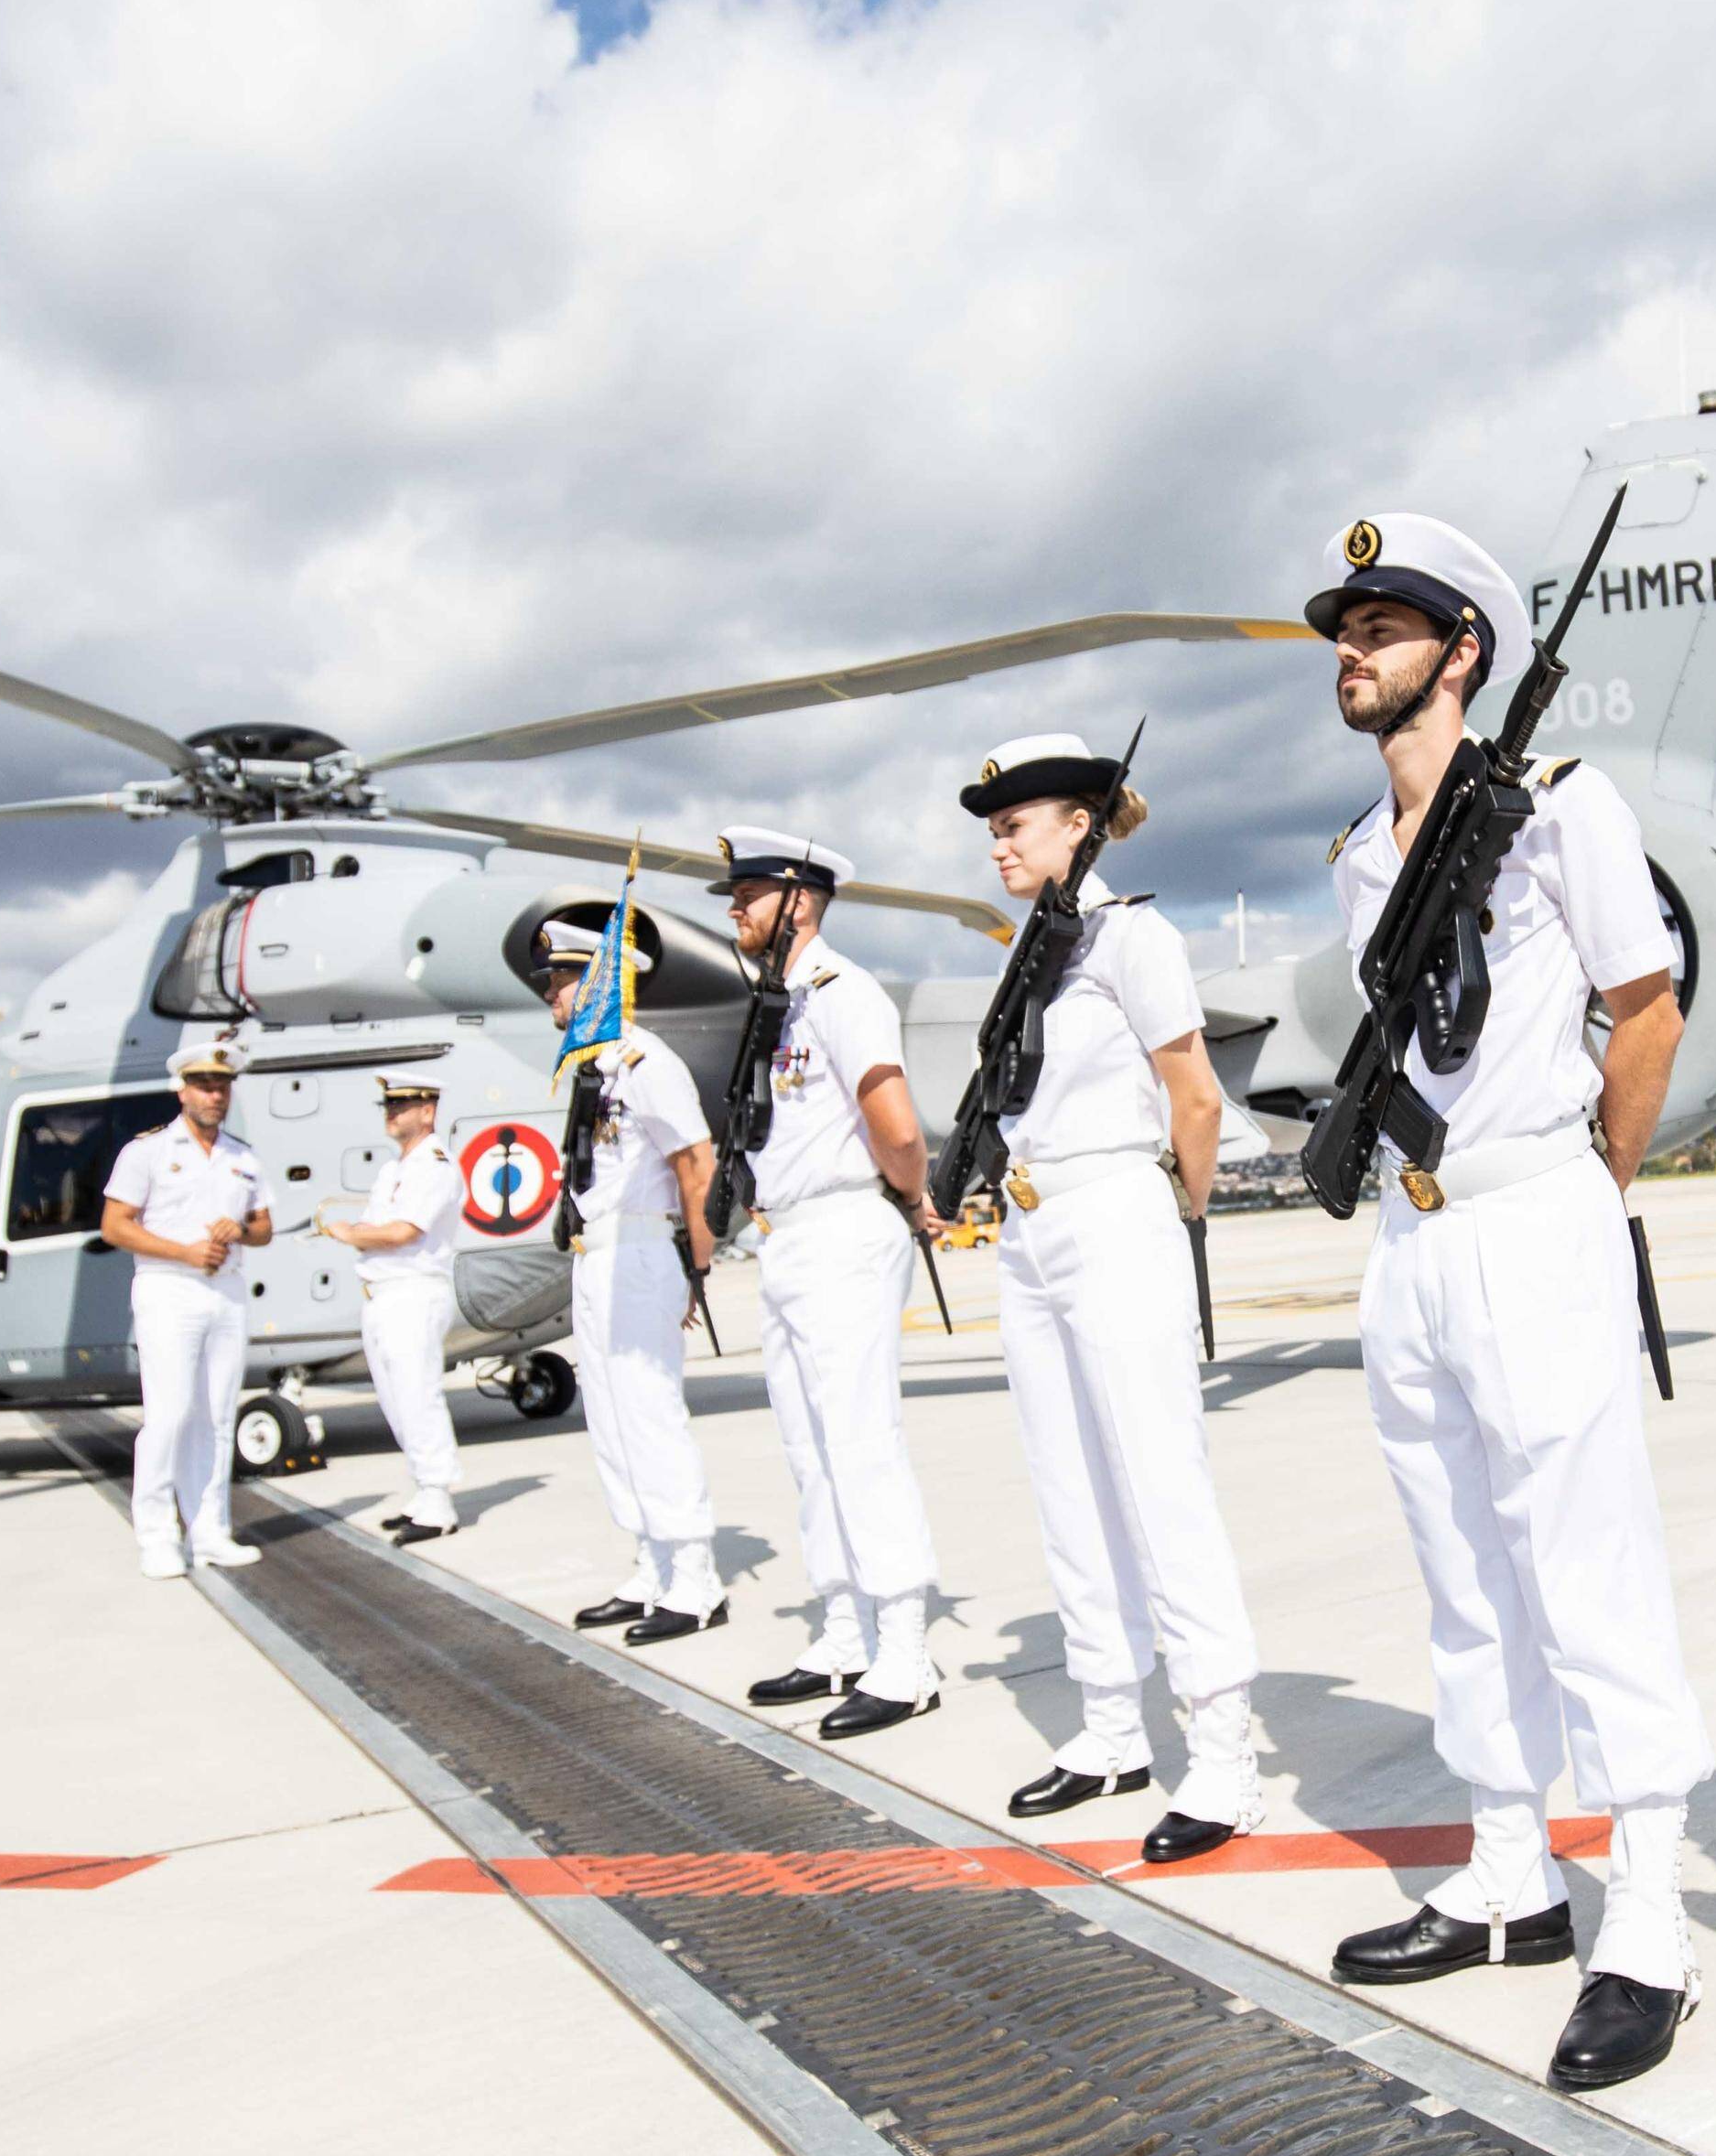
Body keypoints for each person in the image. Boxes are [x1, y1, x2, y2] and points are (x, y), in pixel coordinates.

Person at [1307, 513, 1712, 2095]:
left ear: (1461, 648)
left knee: (1586, 1563)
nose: (1354, 647)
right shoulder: (1355, 853)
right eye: (1345, 626)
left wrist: (1589, 1186)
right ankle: (1507, 1874)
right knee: (1464, 1568)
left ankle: (1652, 1923)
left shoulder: (1562, 808)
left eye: (1385, 623)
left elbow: (1647, 1003)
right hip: (1412, 1241)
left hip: (1535, 1209)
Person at [952, 733, 1266, 1864]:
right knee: (1067, 1480)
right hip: (1032, 1227)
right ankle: (1106, 1727)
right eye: (992, 828)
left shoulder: (1133, 936)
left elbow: (1195, 1099)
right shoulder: (1034, 952)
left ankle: (1223, 1751)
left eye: (1014, 823)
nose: (997, 842)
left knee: (1155, 1477)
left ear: (1077, 823)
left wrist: (1173, 1215)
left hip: (1117, 1211)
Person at [708, 827, 948, 1740]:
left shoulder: (844, 994)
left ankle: (904, 1652)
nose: (733, 909)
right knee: (809, 1448)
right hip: (789, 1239)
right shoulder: (781, 1005)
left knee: (857, 1439)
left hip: (847, 1227)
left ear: (797, 900)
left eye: (748, 894)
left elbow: (894, 1122)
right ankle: (844, 1629)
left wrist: (913, 1193)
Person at [537, 916, 726, 1643]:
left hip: (643, 1250)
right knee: (610, 1419)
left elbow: (694, 1165)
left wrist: (697, 1267)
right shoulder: (596, 1067)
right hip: (597, 1256)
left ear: (600, 984)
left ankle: (696, 1577)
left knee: (648, 1412)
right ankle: (651, 1563)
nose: (551, 994)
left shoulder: (648, 1063)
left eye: (561, 980)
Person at [101, 1042, 270, 1579]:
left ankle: (211, 1531)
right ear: (182, 1089)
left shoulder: (243, 1157)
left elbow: (263, 1227)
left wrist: (239, 1230)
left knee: (217, 1417)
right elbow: (116, 1225)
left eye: (222, 1085)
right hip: (168, 1288)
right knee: (169, 1415)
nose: (214, 1094)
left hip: (225, 1291)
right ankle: (156, 1535)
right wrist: (185, 1252)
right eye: (203, 1084)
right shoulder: (147, 1152)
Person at [320, 1065, 469, 1543]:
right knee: (393, 1396)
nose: (392, 1112)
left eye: (402, 1105)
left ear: (428, 1112)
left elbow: (403, 1232)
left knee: (417, 1392)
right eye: (389, 1104)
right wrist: (361, 1233)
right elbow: (377, 1227)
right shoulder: (394, 1170)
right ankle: (424, 1491)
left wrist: (348, 1233)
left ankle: (438, 1497)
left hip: (413, 1291)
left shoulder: (435, 1165)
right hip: (383, 1294)